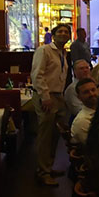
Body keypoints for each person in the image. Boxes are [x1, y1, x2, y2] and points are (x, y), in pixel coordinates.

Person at [31, 23, 71, 186]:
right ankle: (42, 172)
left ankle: (49, 166)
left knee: (55, 134)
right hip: (46, 96)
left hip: (58, 96)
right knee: (45, 135)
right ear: (53, 35)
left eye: (66, 32)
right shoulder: (44, 50)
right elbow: (37, 74)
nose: (63, 34)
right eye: (60, 31)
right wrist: (45, 96)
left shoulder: (63, 53)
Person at [70, 78, 98, 146]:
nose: (91, 94)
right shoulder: (82, 121)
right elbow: (93, 147)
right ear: (79, 97)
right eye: (86, 92)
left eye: (93, 90)